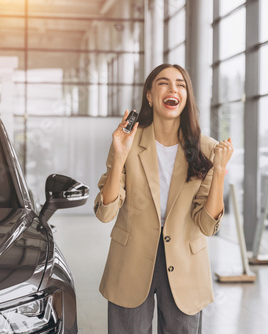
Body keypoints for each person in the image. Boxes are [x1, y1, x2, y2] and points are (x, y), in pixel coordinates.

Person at [93, 63, 234, 333]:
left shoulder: (207, 148)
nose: (173, 89)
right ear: (149, 95)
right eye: (163, 83)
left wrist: (218, 171)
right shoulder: (127, 140)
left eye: (181, 84)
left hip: (186, 261)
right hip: (131, 259)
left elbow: (206, 225)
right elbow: (106, 213)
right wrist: (120, 155)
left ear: (187, 96)